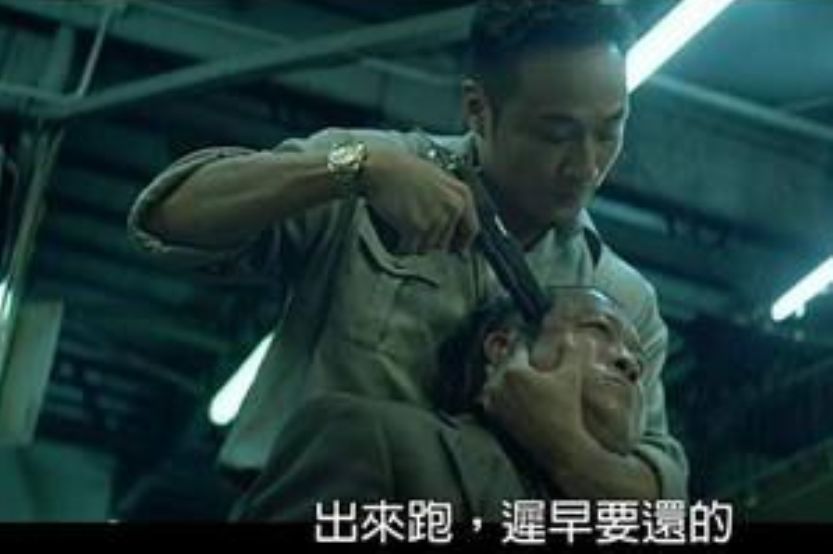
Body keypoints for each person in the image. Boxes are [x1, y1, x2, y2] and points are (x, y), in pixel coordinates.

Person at [127, 0, 688, 502]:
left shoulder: (621, 301)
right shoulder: (372, 173)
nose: (587, 165)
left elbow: (660, 501)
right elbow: (170, 216)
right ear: (478, 109)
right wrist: (351, 170)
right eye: (556, 134)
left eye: (609, 131)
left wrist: (562, 444)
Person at [232, 287, 649, 521]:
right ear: (503, 348)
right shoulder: (369, 436)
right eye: (598, 329)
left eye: (639, 361)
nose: (629, 362)